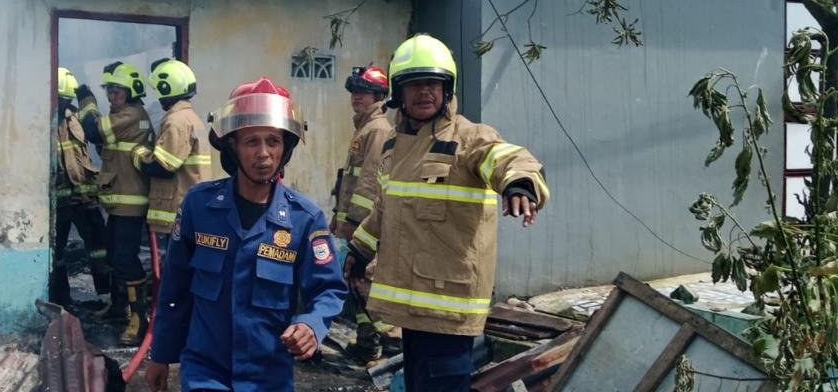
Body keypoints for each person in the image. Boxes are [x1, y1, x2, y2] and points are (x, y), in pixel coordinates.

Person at [346, 34, 550, 392]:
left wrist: (519, 183)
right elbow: (386, 206)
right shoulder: (394, 145)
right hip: (410, 304)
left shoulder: (468, 137)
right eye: (415, 84)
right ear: (398, 92)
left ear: (447, 89)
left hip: (448, 306)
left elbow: (506, 157)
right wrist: (360, 249)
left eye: (433, 83)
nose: (425, 91)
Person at [146, 78, 347, 392]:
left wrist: (311, 324)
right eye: (252, 141)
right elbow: (174, 288)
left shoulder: (305, 219)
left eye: (273, 141)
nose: (263, 153)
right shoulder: (199, 206)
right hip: (205, 372)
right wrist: (160, 354)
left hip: (268, 377)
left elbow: (328, 290)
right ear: (233, 146)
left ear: (285, 148)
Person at [76, 61, 155, 345]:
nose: (111, 96)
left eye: (116, 91)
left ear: (131, 91)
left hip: (130, 205)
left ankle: (138, 319)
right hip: (120, 203)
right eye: (108, 91)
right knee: (114, 257)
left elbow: (94, 131)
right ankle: (119, 307)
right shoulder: (123, 114)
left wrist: (87, 102)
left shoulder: (131, 115)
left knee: (126, 260)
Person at [330, 65, 397, 363]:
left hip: (363, 225)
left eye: (364, 92)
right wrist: (338, 215)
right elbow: (348, 180)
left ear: (379, 96)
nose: (356, 97)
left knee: (363, 280)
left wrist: (355, 222)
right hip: (351, 222)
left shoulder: (377, 129)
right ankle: (368, 342)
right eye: (354, 92)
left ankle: (393, 339)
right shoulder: (364, 128)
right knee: (353, 279)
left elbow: (370, 182)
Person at [131, 58, 213, 252]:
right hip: (191, 206)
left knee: (177, 264)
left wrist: (137, 153)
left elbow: (163, 167)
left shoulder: (176, 122)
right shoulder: (190, 118)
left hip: (180, 208)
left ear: (166, 88)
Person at [50, 67, 112, 307]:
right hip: (59, 202)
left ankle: (107, 296)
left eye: (67, 100)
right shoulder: (41, 122)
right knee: (56, 253)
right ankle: (60, 299)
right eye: (61, 99)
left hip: (85, 198)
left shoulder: (75, 118)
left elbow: (97, 137)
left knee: (100, 247)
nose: (64, 104)